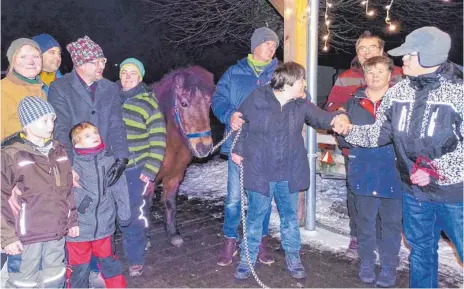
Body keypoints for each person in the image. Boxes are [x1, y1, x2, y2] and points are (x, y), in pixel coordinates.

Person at [336, 26, 463, 288]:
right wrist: (347, 129)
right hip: (414, 192)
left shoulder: (458, 92)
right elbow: (378, 134)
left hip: (455, 195)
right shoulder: (399, 92)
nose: (401, 60)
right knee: (421, 252)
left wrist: (436, 169)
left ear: (428, 56)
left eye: (408, 55)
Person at [231, 62, 349, 280]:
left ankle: (293, 257)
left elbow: (321, 116)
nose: (304, 83)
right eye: (301, 79)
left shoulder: (301, 104)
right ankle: (247, 259)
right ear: (287, 83)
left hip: (289, 171)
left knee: (290, 219)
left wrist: (337, 118)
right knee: (255, 218)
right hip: (259, 170)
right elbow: (243, 123)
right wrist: (238, 149)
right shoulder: (257, 98)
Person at [324, 31, 403, 258]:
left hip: (393, 153)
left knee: (390, 197)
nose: (367, 52)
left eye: (372, 48)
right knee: (357, 196)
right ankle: (358, 236)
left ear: (382, 50)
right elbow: (331, 109)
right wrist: (341, 115)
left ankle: (386, 241)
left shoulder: (398, 75)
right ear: (356, 53)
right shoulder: (346, 77)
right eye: (362, 49)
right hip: (357, 152)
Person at [212, 27, 280, 266]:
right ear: (255, 46)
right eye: (267, 43)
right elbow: (218, 99)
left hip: (267, 146)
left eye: (275, 45)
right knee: (233, 198)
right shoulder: (234, 72)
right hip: (238, 144)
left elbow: (300, 94)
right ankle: (230, 239)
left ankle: (259, 239)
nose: (272, 48)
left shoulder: (280, 72)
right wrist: (229, 114)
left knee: (260, 196)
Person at [336, 56, 403, 287]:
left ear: (389, 74)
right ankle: (366, 262)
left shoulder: (400, 101)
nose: (374, 76)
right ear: (364, 75)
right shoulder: (353, 102)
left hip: (393, 171)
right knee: (364, 221)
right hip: (363, 170)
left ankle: (389, 266)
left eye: (380, 71)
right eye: (369, 72)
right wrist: (343, 129)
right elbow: (341, 134)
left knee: (392, 224)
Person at [1, 97, 79, 288]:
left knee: (54, 277)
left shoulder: (58, 151)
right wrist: (7, 237)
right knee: (23, 280)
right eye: (44, 120)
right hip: (27, 236)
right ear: (27, 123)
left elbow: (67, 191)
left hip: (56, 232)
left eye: (52, 119)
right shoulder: (12, 154)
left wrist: (72, 220)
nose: (50, 125)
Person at [48, 35, 129, 188]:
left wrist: (121, 158)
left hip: (107, 161)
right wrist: (68, 166)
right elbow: (61, 129)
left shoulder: (110, 88)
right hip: (79, 164)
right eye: (95, 62)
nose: (101, 66)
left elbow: (116, 125)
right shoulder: (60, 88)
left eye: (102, 61)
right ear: (80, 64)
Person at [65, 122, 130, 288]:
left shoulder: (109, 162)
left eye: (95, 133)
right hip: (78, 229)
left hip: (104, 226)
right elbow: (63, 197)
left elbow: (120, 188)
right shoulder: (71, 167)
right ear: (77, 144)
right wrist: (68, 222)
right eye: (87, 135)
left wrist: (124, 214)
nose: (94, 136)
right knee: (79, 268)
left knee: (110, 264)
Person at [118, 57, 167, 277]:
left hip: (135, 169)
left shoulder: (148, 103)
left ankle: (135, 258)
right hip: (109, 168)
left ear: (140, 77)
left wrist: (150, 170)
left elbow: (158, 139)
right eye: (124, 72)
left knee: (133, 216)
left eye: (133, 73)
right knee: (110, 215)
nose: (128, 77)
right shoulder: (111, 99)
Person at [1, 38, 44, 139]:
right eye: (23, 57)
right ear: (12, 61)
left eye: (36, 56)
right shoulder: (4, 90)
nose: (31, 62)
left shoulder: (41, 92)